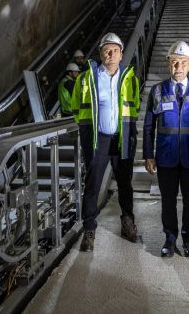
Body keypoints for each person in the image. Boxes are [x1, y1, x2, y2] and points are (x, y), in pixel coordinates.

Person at [143, 41, 189, 258]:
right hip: (166, 158)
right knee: (168, 201)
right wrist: (148, 154)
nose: (178, 67)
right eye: (174, 62)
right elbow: (148, 126)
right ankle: (169, 238)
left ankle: (188, 238)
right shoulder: (157, 91)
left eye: (183, 62)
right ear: (168, 63)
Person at [70, 33, 141, 251]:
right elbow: (76, 108)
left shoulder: (130, 78)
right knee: (92, 185)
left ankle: (127, 221)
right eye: (106, 50)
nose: (111, 54)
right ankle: (89, 229)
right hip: (97, 139)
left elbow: (134, 107)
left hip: (121, 137)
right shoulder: (87, 78)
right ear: (101, 53)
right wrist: (88, 131)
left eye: (115, 50)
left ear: (121, 54)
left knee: (125, 183)